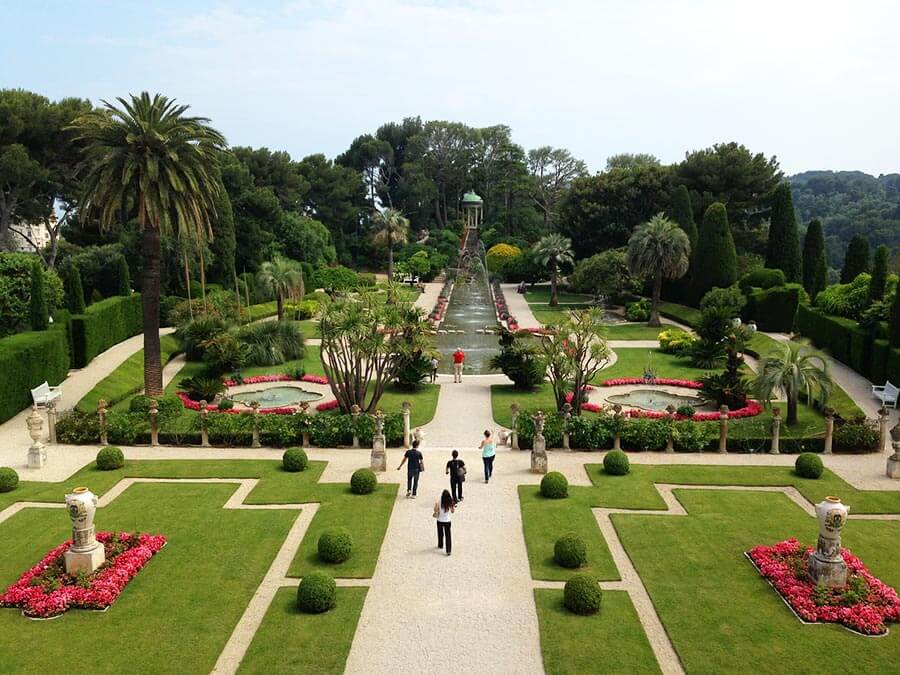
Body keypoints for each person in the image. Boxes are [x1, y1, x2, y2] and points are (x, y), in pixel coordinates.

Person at [433, 489, 455, 556]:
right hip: (447, 521)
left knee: (440, 534)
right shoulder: (450, 502)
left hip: (440, 520)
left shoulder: (439, 502)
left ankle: (440, 545)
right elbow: (452, 511)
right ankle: (448, 550)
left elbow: (435, 509)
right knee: (448, 535)